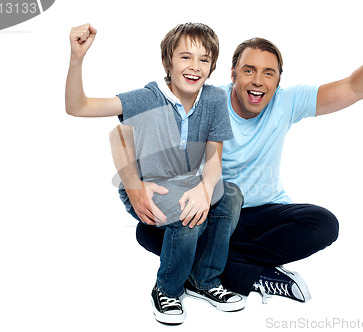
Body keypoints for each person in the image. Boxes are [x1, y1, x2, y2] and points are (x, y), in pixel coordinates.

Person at [130, 9, 363, 305]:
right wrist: (138, 186)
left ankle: (211, 267)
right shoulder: (207, 103)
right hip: (213, 215)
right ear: (233, 74)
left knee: (323, 223)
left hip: (264, 216)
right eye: (249, 70)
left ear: (278, 81)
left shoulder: (286, 102)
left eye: (269, 73)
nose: (258, 81)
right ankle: (248, 274)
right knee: (148, 231)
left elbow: (356, 87)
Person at [66, 22, 245, 325]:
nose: (195, 67)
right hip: (149, 186)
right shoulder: (148, 97)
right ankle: (167, 288)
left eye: (204, 59)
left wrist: (205, 188)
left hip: (188, 181)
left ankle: (204, 280)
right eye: (185, 57)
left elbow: (215, 157)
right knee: (187, 212)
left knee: (230, 196)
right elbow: (78, 107)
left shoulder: (214, 100)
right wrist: (77, 58)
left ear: (212, 66)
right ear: (168, 62)